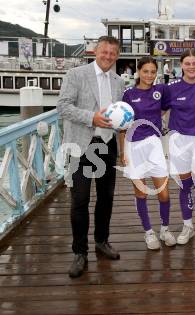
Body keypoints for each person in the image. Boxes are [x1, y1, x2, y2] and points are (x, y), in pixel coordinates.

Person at [57, 36, 125, 278]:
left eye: (113, 53)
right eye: (104, 51)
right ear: (96, 51)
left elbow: (118, 114)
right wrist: (91, 117)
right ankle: (79, 252)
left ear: (117, 55)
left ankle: (101, 241)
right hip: (81, 147)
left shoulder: (118, 81)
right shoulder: (76, 74)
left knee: (106, 198)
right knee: (80, 200)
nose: (108, 56)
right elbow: (63, 106)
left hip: (106, 146)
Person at [119, 56, 176, 250]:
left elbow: (172, 101)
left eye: (153, 72)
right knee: (141, 193)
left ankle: (165, 229)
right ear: (138, 72)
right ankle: (149, 232)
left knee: (164, 194)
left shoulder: (161, 90)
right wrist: (122, 152)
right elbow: (122, 125)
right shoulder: (128, 94)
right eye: (146, 71)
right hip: (133, 146)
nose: (149, 75)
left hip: (154, 146)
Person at [163, 49, 195, 246]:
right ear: (181, 65)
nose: (191, 67)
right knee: (185, 186)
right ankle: (188, 226)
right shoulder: (171, 87)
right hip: (178, 140)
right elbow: (158, 109)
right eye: (187, 63)